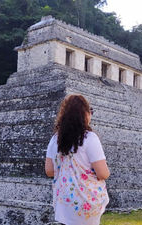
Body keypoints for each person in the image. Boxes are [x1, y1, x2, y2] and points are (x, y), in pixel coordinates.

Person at [45, 94, 110, 225]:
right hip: (85, 203)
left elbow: (49, 171)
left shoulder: (55, 139)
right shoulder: (89, 138)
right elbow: (103, 173)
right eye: (90, 111)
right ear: (85, 114)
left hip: (65, 203)